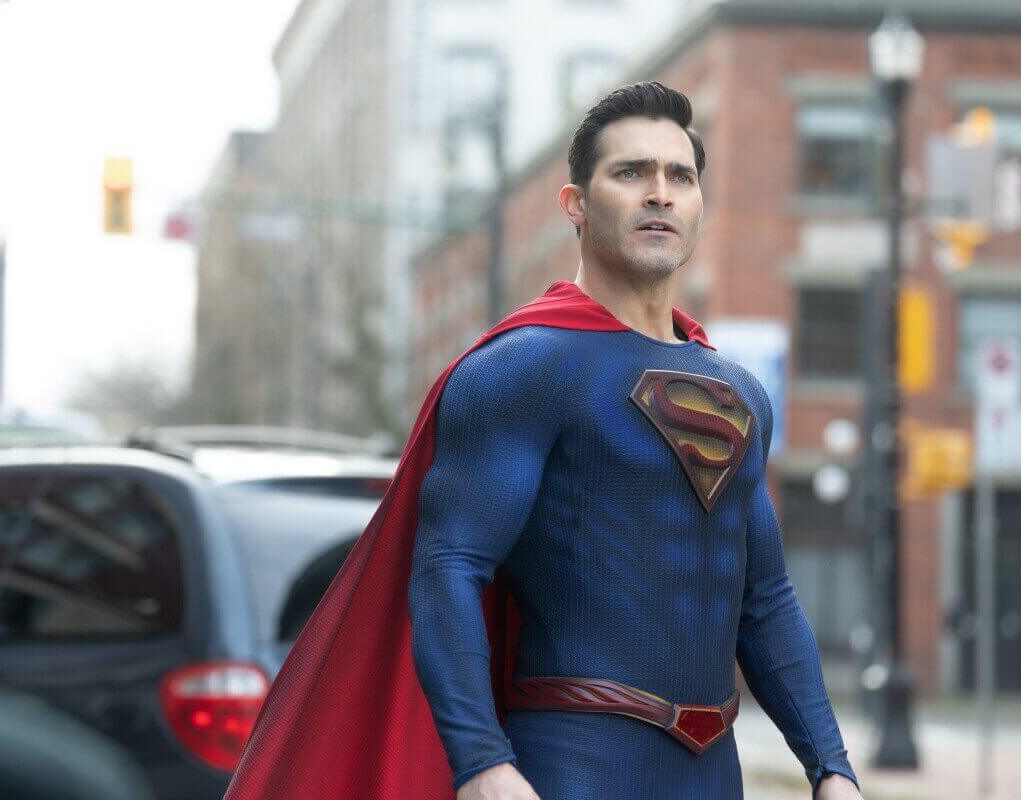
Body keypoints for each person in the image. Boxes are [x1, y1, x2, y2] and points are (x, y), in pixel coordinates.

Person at [222, 81, 861, 800]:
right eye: (631, 172)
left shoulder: (739, 392)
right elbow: (449, 565)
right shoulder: (525, 367)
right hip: (570, 766)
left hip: (714, 774)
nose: (660, 193)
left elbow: (764, 598)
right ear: (575, 205)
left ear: (698, 203)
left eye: (679, 176)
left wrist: (831, 766)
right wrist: (480, 761)